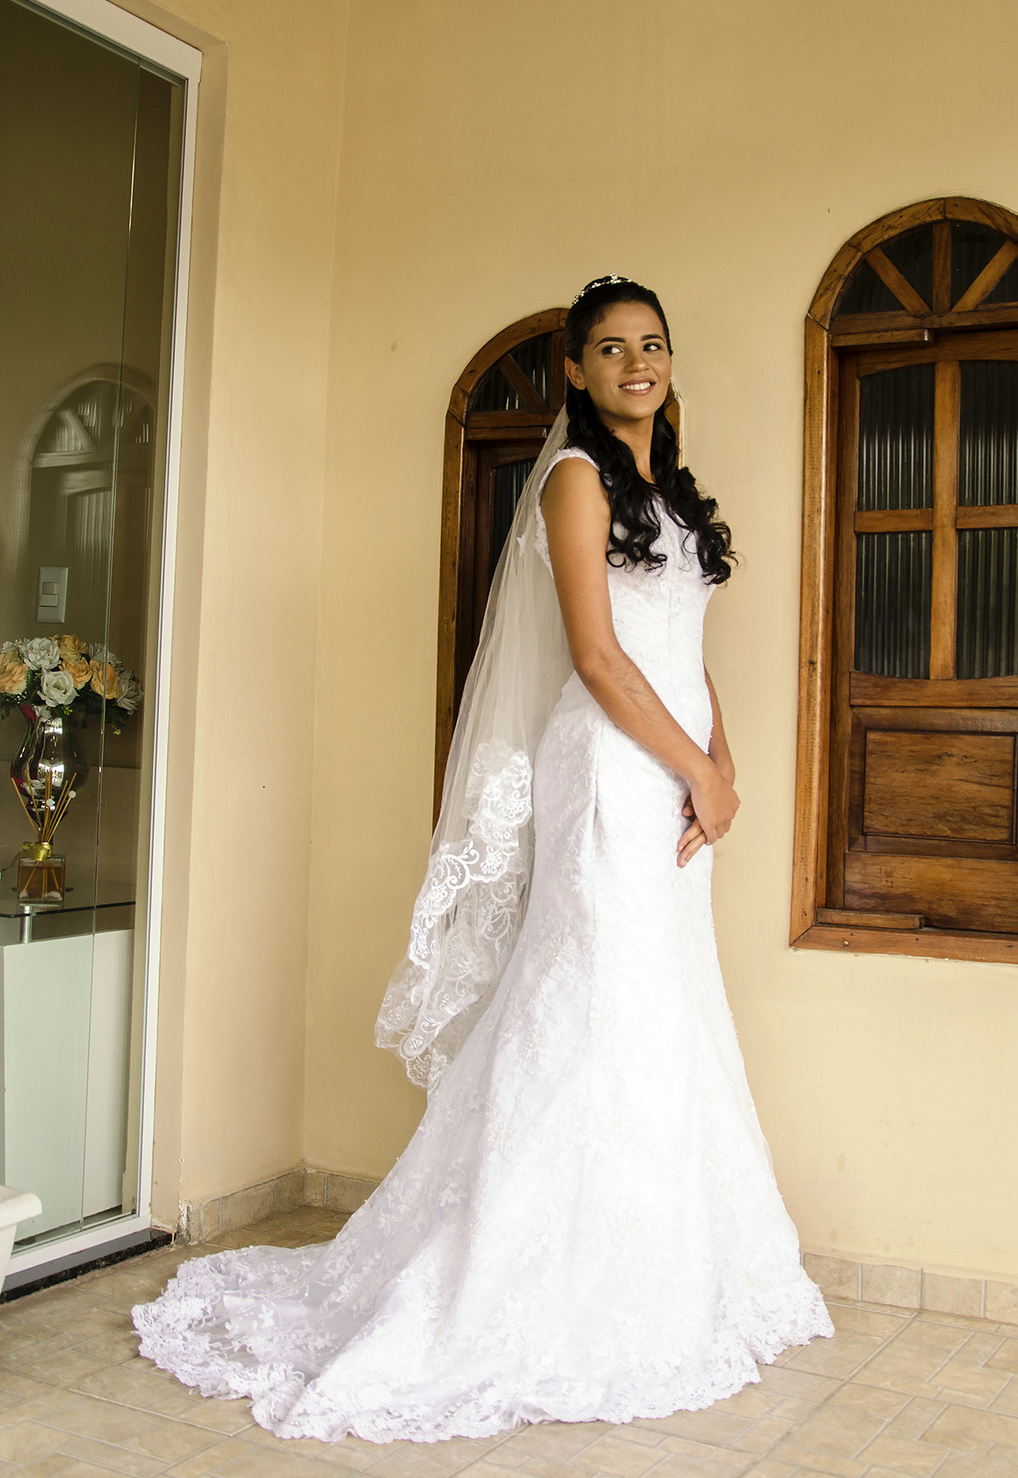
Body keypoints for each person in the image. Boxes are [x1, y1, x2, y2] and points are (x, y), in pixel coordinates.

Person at [132, 277, 833, 1444]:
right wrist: (693, 770)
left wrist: (724, 761)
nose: (638, 363)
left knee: (661, 1006)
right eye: (612, 348)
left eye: (653, 344)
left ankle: (660, 1263)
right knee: (594, 1002)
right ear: (577, 370)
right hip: (608, 770)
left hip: (669, 770)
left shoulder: (665, 490)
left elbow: (681, 645)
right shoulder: (574, 479)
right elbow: (600, 659)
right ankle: (522, 1277)